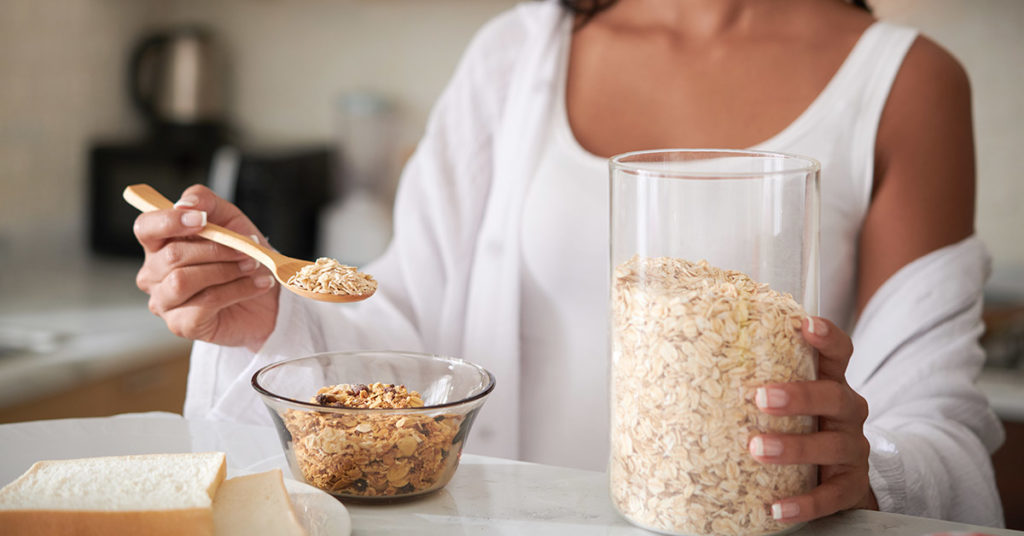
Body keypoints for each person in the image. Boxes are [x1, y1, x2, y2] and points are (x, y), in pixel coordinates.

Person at [130, 0, 1004, 527]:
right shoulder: (519, 52)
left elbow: (939, 428)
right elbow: (411, 348)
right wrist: (271, 321)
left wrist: (875, 471)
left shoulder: (905, 83)